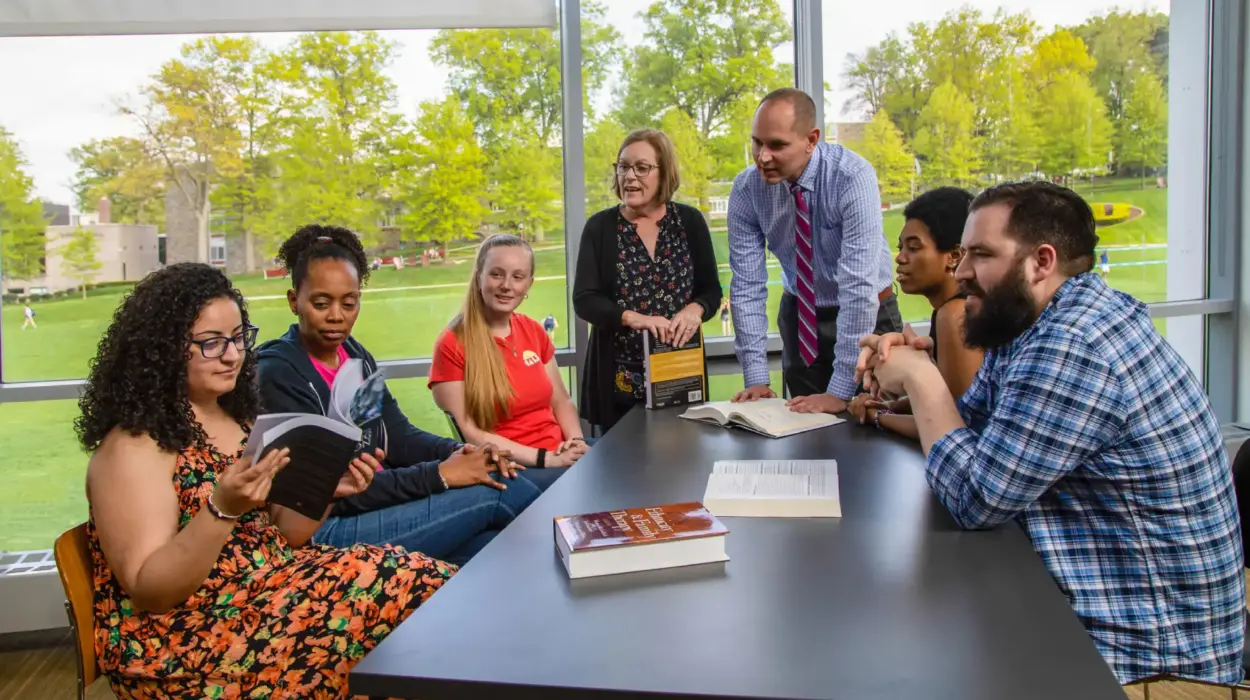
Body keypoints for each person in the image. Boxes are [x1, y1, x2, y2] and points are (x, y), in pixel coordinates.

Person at [856, 181, 1244, 686]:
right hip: (1083, 617)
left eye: (981, 254)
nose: (963, 271)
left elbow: (977, 499)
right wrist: (914, 370)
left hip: (1147, 662)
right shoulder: (1029, 323)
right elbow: (975, 424)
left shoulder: (1073, 345)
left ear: (1041, 261)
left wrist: (920, 377)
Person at [76, 262, 454, 698]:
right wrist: (222, 510)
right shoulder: (132, 449)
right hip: (189, 639)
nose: (234, 355)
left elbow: (285, 535)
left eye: (238, 338)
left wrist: (324, 490)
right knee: (405, 588)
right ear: (163, 350)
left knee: (422, 584)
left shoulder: (235, 418)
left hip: (267, 594)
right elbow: (152, 590)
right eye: (212, 343)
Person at [257, 225, 550, 567]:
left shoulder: (353, 355)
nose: (337, 315)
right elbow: (333, 491)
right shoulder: (280, 373)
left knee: (487, 546)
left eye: (349, 303)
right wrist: (439, 474)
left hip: (380, 501)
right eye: (321, 303)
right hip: (325, 530)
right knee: (500, 491)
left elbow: (398, 435)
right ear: (295, 301)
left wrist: (462, 451)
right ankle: (585, 551)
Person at [727, 87, 900, 415]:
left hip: (868, 312)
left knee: (875, 425)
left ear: (811, 139)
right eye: (757, 143)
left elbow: (858, 288)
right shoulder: (746, 190)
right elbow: (747, 287)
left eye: (777, 145)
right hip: (801, 318)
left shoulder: (852, 177)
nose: (763, 156)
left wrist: (839, 391)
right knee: (804, 427)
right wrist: (756, 378)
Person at [573, 128, 722, 432]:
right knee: (621, 475)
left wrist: (695, 309)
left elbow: (711, 291)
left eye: (641, 168)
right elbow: (584, 299)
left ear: (664, 172)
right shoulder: (600, 228)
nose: (629, 176)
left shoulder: (690, 222)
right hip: (618, 385)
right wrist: (632, 318)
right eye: (623, 166)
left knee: (684, 471)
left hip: (680, 376)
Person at [432, 234, 589, 468]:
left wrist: (576, 442)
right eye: (496, 274)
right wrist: (545, 459)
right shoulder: (452, 344)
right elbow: (470, 432)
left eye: (518, 277)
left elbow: (561, 401)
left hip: (559, 452)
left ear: (528, 284)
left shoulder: (533, 330)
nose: (506, 285)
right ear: (478, 278)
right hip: (514, 467)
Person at [848, 187, 983, 439]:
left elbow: (954, 426)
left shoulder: (955, 315)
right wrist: (889, 406)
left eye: (914, 248)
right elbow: (943, 398)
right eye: (901, 247)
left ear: (954, 256)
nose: (900, 258)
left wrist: (878, 417)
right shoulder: (947, 311)